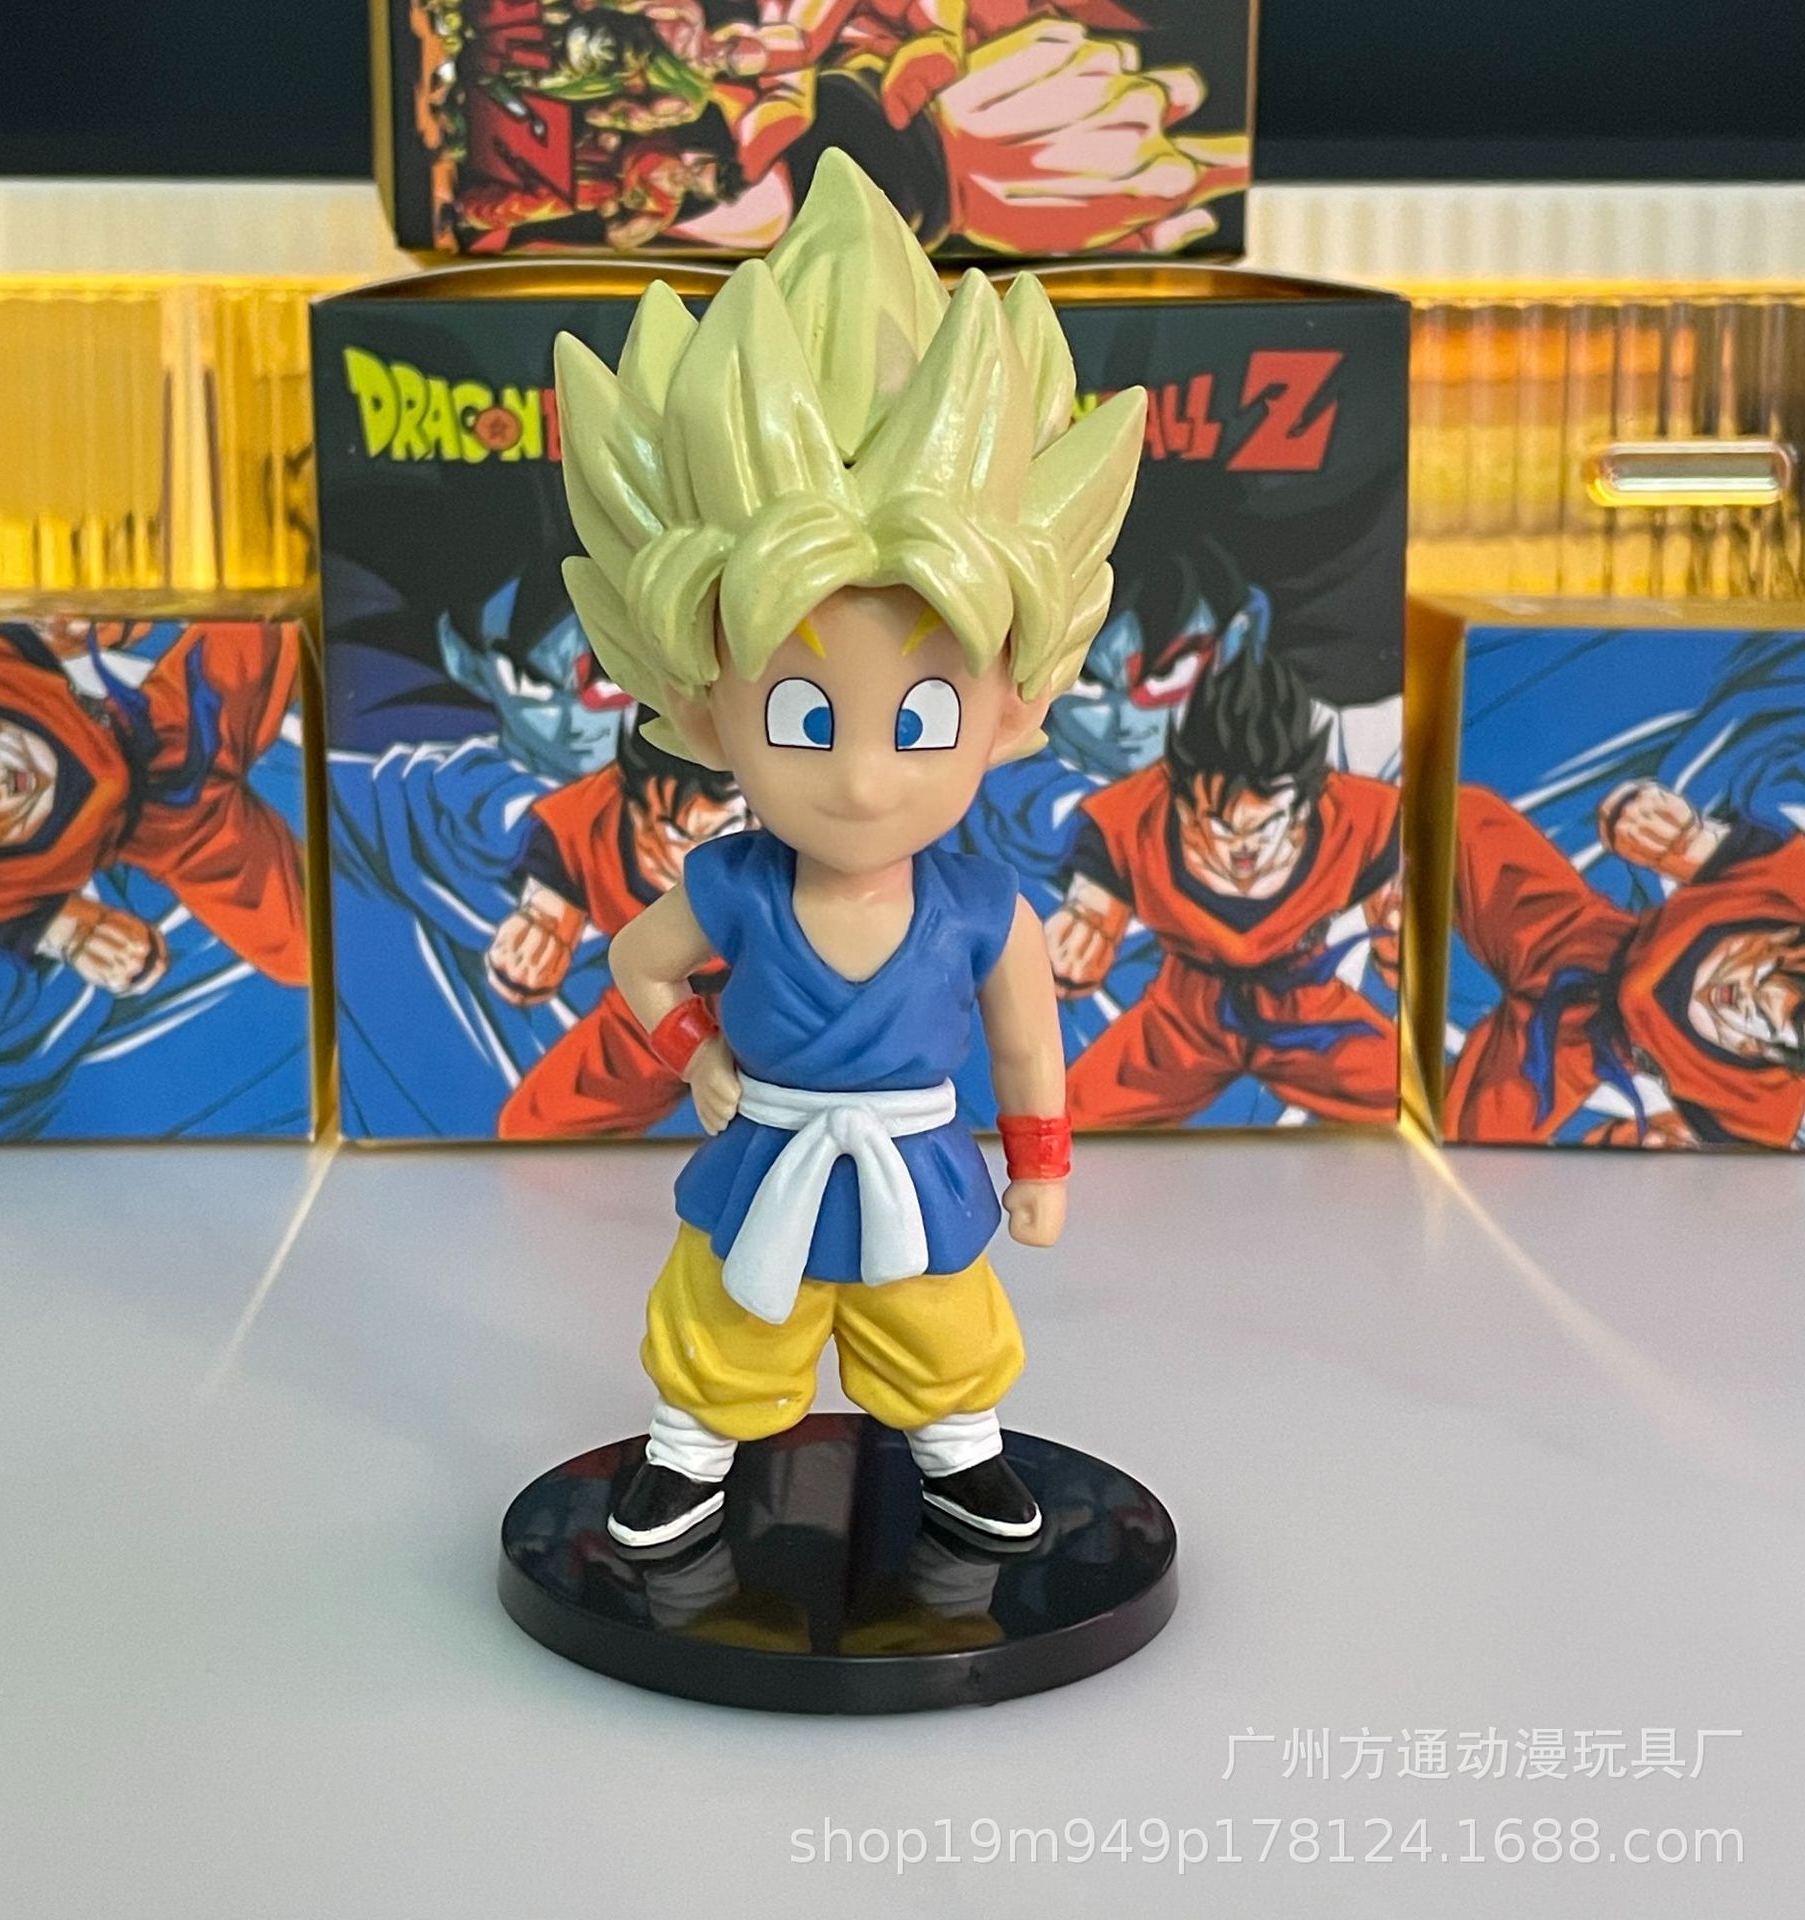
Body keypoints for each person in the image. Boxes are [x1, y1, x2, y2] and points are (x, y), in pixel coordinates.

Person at [551, 150, 1144, 1549]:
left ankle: (957, 1449)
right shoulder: (737, 887)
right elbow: (638, 964)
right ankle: (690, 1449)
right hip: (766, 1150)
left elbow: (1028, 1050)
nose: (865, 778)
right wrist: (697, 1056)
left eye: (922, 716)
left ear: (1015, 707)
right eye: (804, 719)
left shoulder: (981, 910)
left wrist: (1042, 1164)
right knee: (724, 1316)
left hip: (918, 1163)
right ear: (706, 704)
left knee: (939, 1319)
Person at [1050, 649, 1400, 1128]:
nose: (1244, 849)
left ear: (1302, 805)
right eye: (1222, 825)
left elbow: (1391, 880)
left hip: (1308, 1011)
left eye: (1266, 825)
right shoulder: (1137, 816)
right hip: (1182, 1021)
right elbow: (1095, 895)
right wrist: (1086, 924)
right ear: (1184, 806)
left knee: (1414, 1101)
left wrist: (1397, 933)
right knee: (1068, 1120)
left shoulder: (1355, 817)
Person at [0, 620, 306, 994]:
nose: (10, 783)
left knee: (276, 623)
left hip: (178, 717)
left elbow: (64, 621)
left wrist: (105, 622)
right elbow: (39, 930)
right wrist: (83, 938)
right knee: (301, 952)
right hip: (180, 840)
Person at [1447, 780, 1805, 1149]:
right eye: (1783, 973)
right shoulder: (1791, 882)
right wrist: (1664, 829)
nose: (1754, 1004)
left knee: (1471, 1146)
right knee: (1460, 817)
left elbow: (1715, 1153)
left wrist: (1643, 1141)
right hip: (1578, 935)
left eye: (1793, 1025)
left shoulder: (1765, 1109)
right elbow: (1687, 841)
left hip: (1568, 1051)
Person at [491, 709, 749, 1137]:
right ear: (635, 804)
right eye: (677, 833)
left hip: (764, 1003)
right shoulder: (600, 813)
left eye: (726, 829)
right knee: (532, 1125)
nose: (700, 853)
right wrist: (543, 922)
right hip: (653, 1011)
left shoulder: (784, 818)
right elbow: (561, 850)